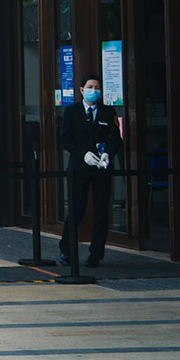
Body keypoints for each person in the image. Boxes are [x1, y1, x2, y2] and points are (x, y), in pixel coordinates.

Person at [59, 76, 122, 267]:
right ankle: (66, 251)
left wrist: (108, 155)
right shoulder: (71, 112)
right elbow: (65, 139)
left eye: (97, 87)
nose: (94, 90)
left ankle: (96, 254)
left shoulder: (107, 112)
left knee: (101, 211)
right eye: (90, 87)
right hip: (79, 166)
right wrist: (83, 154)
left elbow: (116, 139)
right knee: (76, 210)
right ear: (81, 90)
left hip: (101, 168)